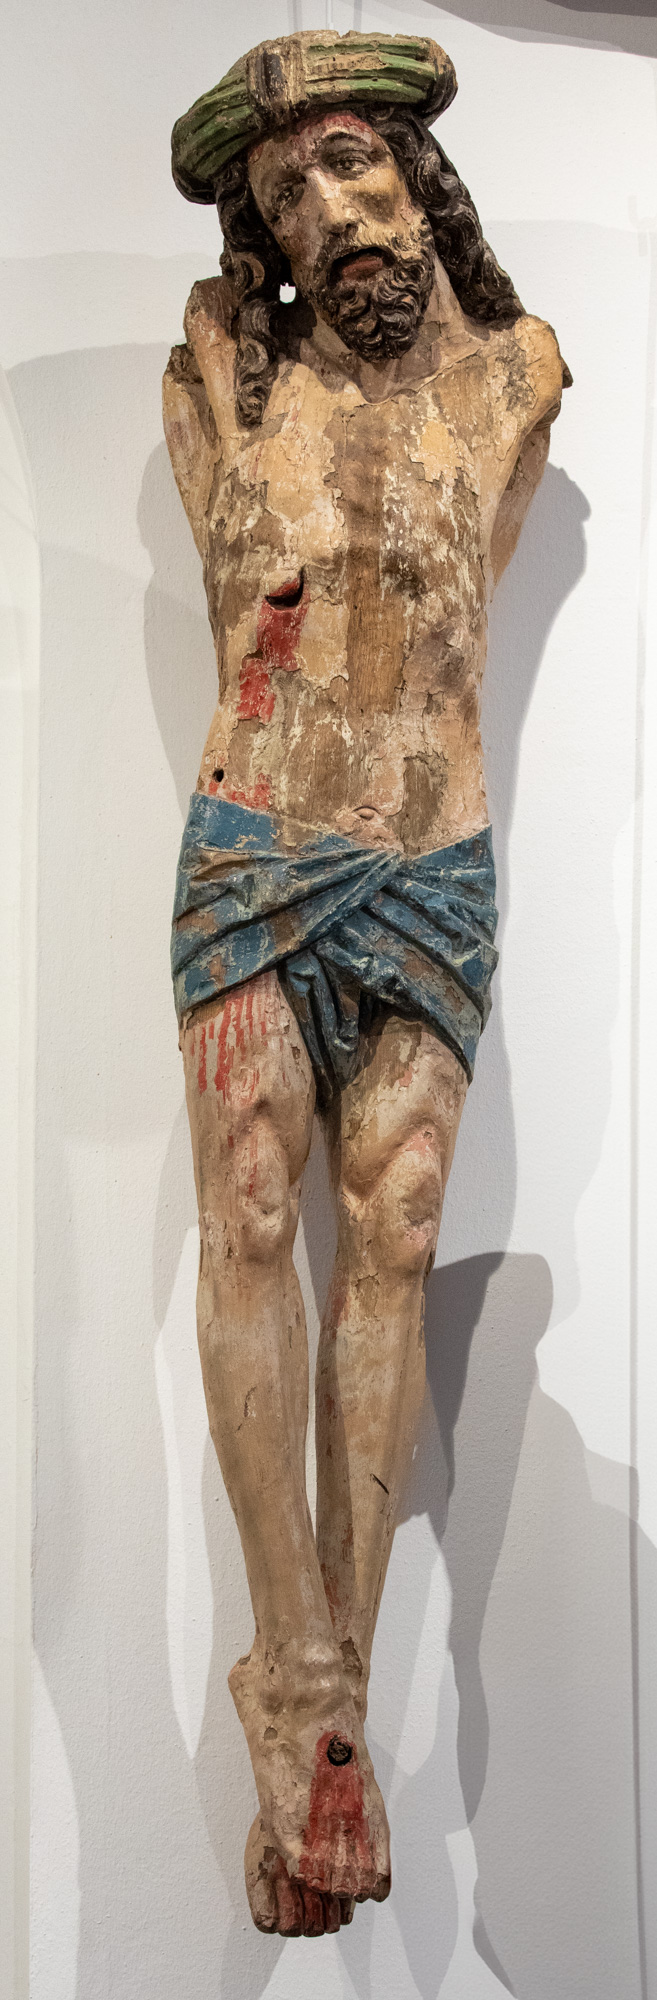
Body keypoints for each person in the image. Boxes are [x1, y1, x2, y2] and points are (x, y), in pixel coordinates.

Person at [164, 28, 568, 1938]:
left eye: (351, 165)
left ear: (419, 175)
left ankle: (321, 1704)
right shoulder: (216, 383)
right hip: (256, 850)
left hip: (431, 860)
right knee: (254, 1215)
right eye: (287, 194)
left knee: (391, 1238)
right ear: (262, 239)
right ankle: (305, 1678)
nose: (330, 211)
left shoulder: (514, 376)